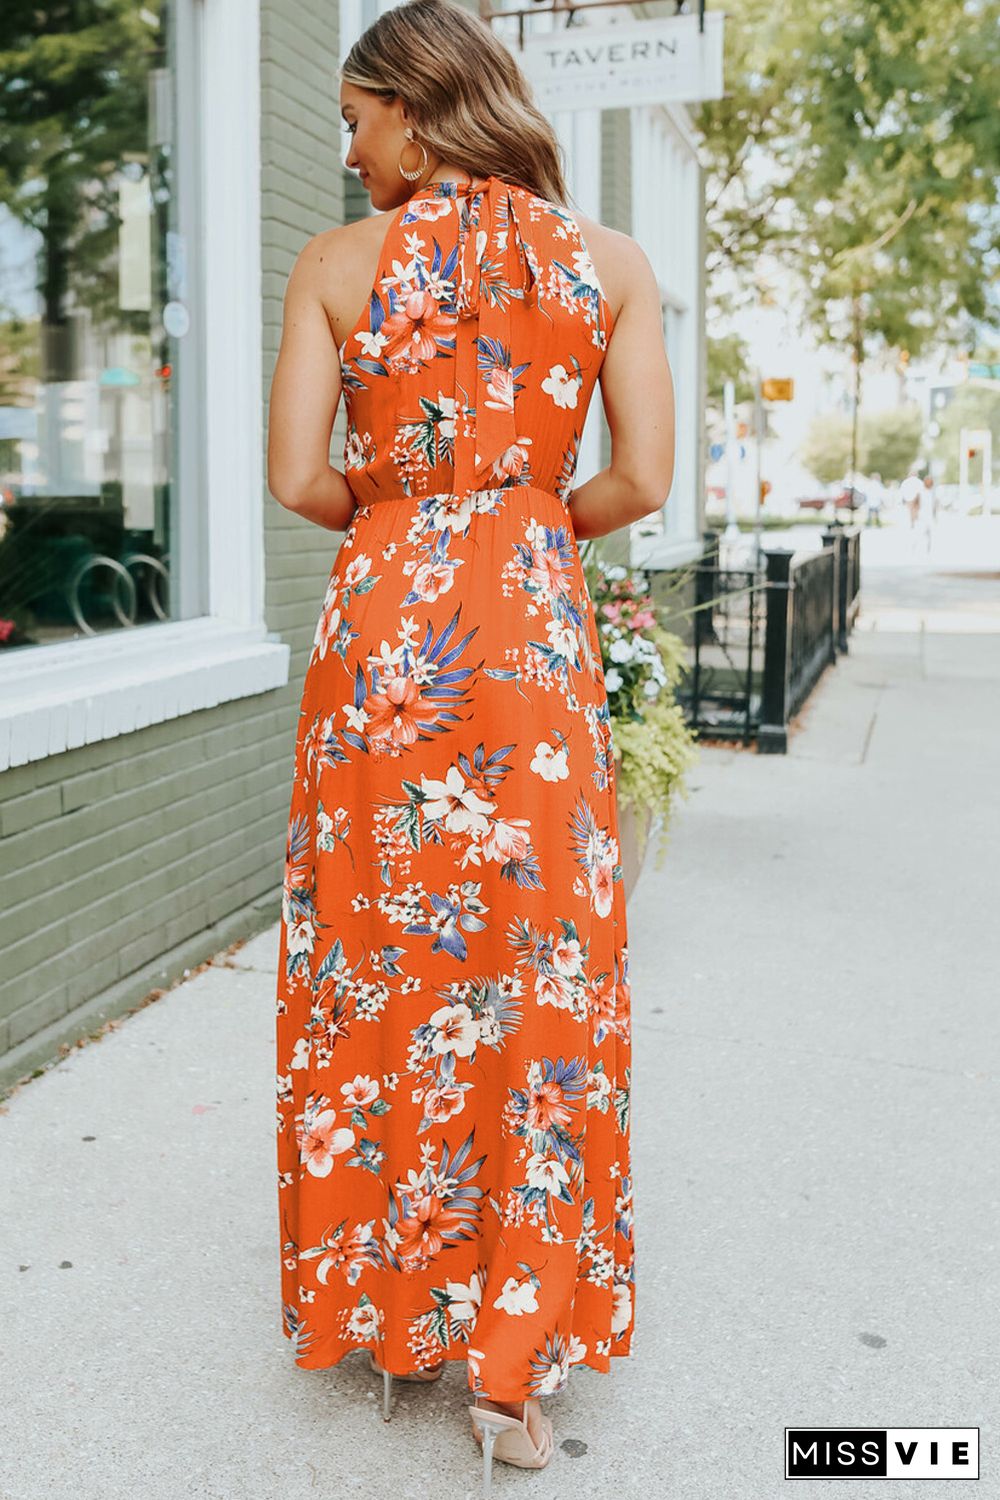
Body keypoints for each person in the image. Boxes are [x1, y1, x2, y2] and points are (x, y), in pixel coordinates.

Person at [266, 0, 675, 1489]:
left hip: (381, 642)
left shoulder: (333, 266)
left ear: (418, 113)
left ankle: (392, 1321)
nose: (348, 143)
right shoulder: (610, 265)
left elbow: (297, 476)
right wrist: (517, 531)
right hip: (529, 634)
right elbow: (642, 472)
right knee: (540, 962)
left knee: (378, 959)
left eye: (357, 115)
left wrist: (408, 524)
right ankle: (516, 1373)